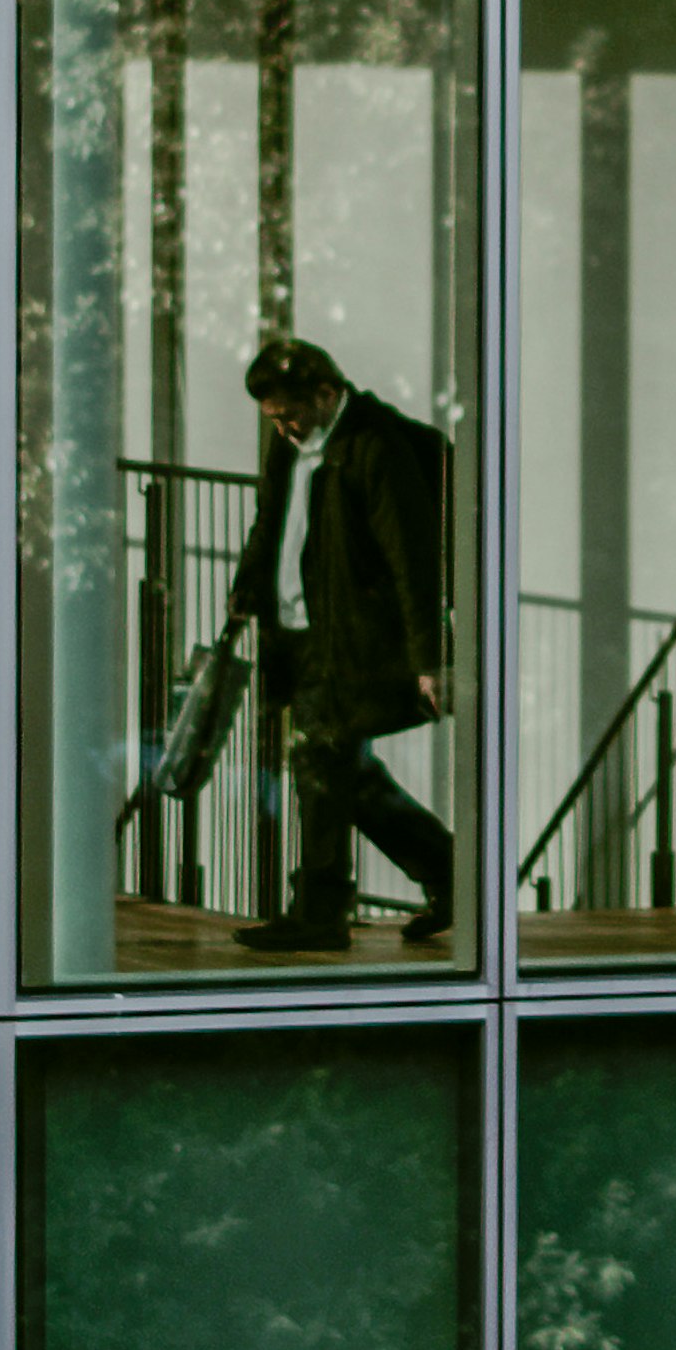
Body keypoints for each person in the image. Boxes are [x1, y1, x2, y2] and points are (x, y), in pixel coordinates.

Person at [210, 330, 455, 946]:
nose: (285, 428)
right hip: (296, 632)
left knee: (318, 762)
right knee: (349, 776)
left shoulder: (374, 449)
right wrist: (247, 589)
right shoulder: (293, 443)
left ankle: (319, 914)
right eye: (275, 418)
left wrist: (430, 659)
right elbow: (273, 518)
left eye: (290, 414)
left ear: (326, 394)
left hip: (348, 641)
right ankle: (456, 875)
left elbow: (413, 557)